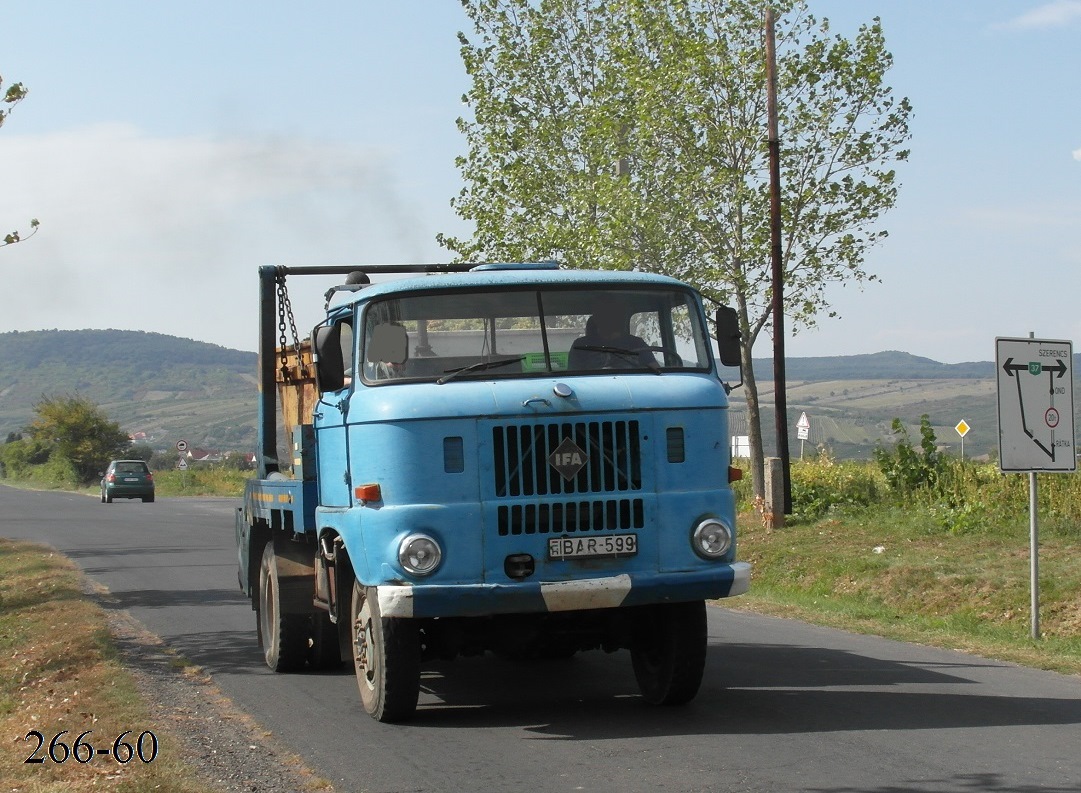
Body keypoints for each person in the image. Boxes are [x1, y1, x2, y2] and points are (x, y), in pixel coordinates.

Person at [568, 303, 656, 370]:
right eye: (603, 314)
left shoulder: (637, 344)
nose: (609, 318)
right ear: (596, 318)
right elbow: (573, 377)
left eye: (613, 313)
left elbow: (656, 370)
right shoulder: (581, 346)